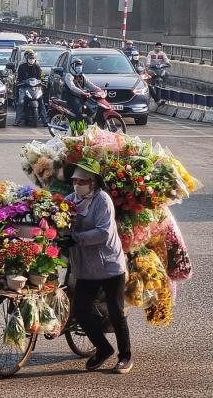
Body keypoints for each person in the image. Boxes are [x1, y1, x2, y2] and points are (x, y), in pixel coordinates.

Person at [64, 159, 132, 374]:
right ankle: (103, 349)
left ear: (93, 182)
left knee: (116, 312)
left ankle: (125, 357)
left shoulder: (102, 200)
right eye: (75, 180)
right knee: (80, 311)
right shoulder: (69, 201)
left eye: (82, 180)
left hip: (109, 266)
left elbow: (103, 232)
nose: (78, 184)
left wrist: (76, 238)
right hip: (85, 268)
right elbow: (59, 222)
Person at [62, 57, 99, 135]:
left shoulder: (82, 75)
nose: (79, 67)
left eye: (80, 65)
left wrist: (98, 89)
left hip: (81, 98)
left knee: (91, 113)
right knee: (79, 115)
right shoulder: (69, 76)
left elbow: (89, 84)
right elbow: (72, 87)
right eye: (77, 65)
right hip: (72, 98)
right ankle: (78, 132)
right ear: (73, 66)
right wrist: (83, 93)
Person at [13, 49, 48, 127]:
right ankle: (17, 120)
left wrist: (41, 82)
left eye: (33, 59)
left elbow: (40, 77)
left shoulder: (37, 67)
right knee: (21, 102)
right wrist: (21, 82)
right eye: (30, 59)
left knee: (41, 103)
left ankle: (45, 120)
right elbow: (19, 78)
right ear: (27, 59)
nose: (31, 60)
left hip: (36, 88)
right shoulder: (22, 67)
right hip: (24, 87)